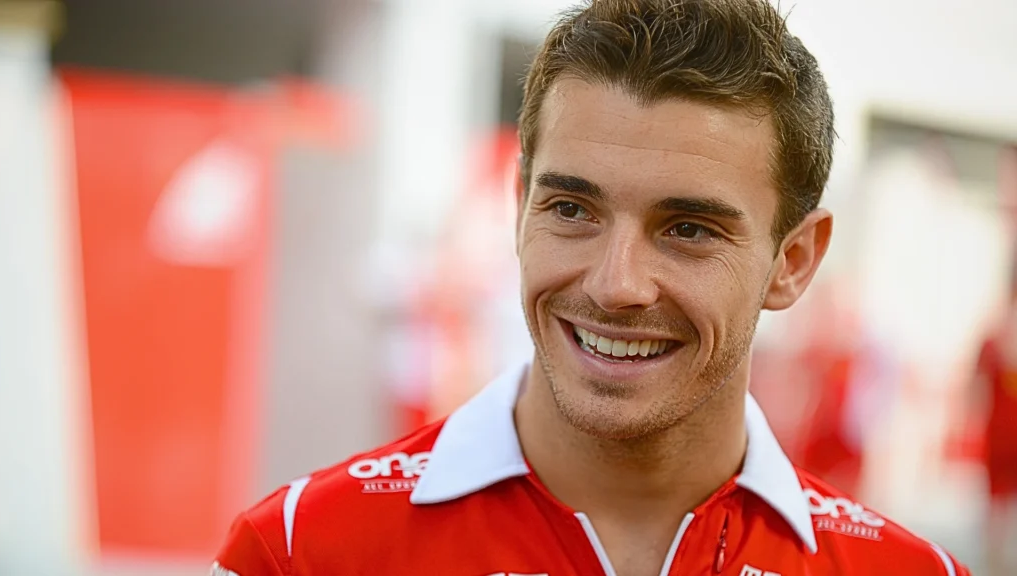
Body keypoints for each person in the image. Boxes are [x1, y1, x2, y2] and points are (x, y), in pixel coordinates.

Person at [213, 1, 969, 574]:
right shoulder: (300, 553)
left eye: (688, 229)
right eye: (572, 210)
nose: (616, 285)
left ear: (794, 261)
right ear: (520, 209)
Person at [972, 263, 1017, 576]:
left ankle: (997, 554)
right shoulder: (996, 333)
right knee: (998, 495)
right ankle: (996, 555)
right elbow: (978, 383)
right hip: (1000, 427)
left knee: (998, 497)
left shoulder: (996, 332)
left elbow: (977, 385)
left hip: (1000, 426)